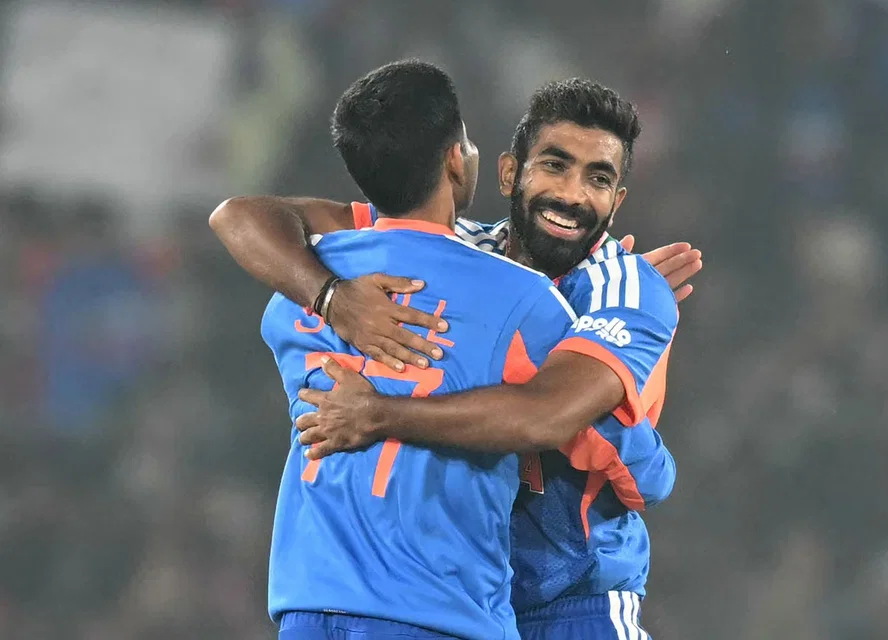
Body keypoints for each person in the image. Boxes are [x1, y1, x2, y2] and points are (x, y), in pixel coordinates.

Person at [212, 79, 703, 639]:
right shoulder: (447, 250)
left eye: (598, 179)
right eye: (555, 165)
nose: (571, 195)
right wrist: (331, 295)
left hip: (575, 604)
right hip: (458, 594)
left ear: (617, 202)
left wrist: (380, 412)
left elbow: (607, 454)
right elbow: (243, 216)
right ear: (508, 173)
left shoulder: (626, 291)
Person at [259, 60, 581, 640]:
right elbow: (571, 425)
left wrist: (329, 296)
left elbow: (245, 217)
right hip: (436, 613)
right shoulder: (524, 302)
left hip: (308, 608)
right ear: (456, 158)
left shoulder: (297, 294)